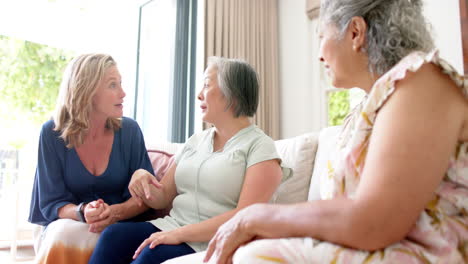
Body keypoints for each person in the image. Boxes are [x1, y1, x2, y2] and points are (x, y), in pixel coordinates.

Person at [196, 0, 468, 263]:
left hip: (437, 252)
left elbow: (375, 222)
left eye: (321, 36)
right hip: (387, 245)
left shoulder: (421, 81)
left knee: (254, 256)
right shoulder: (371, 107)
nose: (319, 54)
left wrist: (253, 217)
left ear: (355, 33)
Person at [88, 57, 284, 264]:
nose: (199, 94)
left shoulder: (260, 146)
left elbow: (245, 216)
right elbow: (162, 197)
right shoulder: (196, 141)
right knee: (114, 235)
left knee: (151, 255)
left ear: (232, 93)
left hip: (215, 238)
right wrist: (141, 176)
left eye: (207, 85)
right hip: (174, 226)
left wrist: (180, 235)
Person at [28, 53, 155, 264]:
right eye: (112, 85)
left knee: (104, 237)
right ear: (86, 90)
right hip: (68, 222)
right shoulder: (52, 133)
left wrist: (114, 213)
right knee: (64, 232)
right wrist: (83, 211)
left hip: (118, 226)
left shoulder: (130, 131)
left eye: (120, 84)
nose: (123, 93)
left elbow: (145, 198)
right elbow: (51, 202)